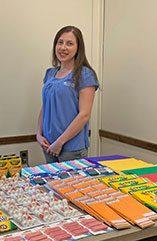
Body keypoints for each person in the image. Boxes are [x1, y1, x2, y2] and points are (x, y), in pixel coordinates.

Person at [36, 25, 99, 163]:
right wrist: (38, 134)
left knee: (71, 185)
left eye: (70, 44)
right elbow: (45, 105)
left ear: (78, 49)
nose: (63, 47)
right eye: (60, 42)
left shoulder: (85, 74)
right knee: (52, 184)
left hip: (71, 148)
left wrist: (60, 142)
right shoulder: (50, 73)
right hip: (48, 145)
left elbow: (84, 115)